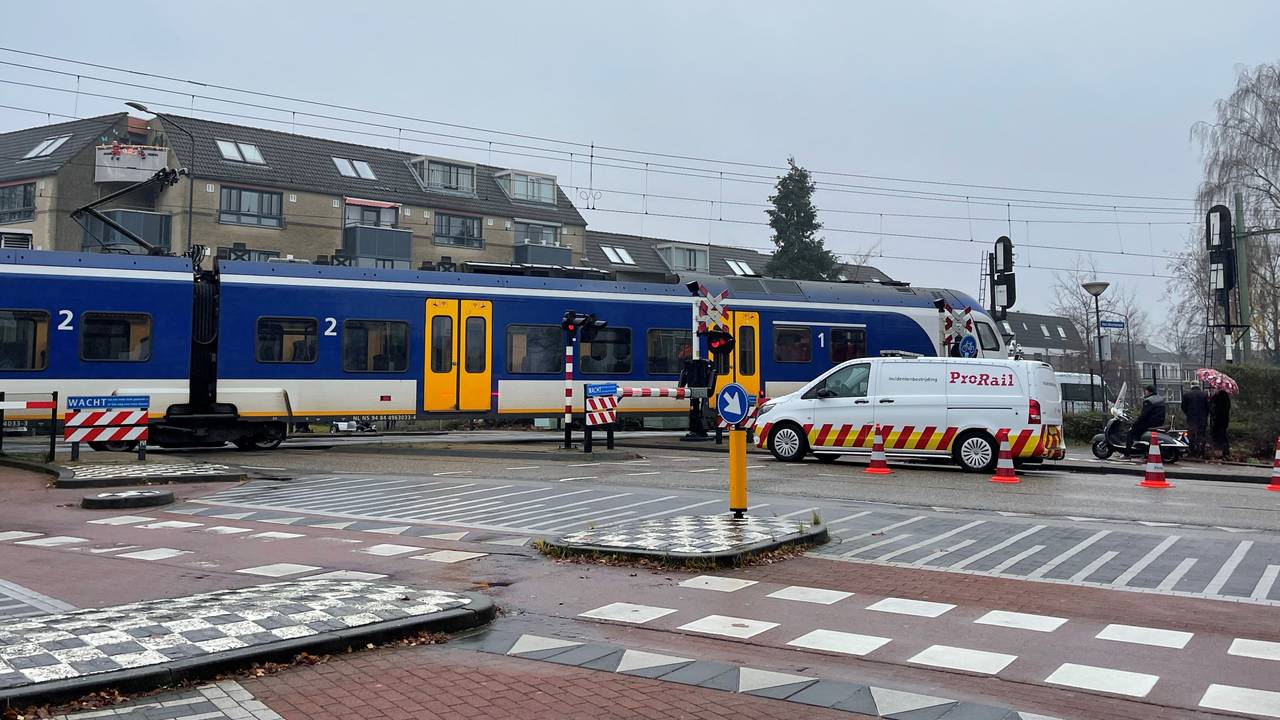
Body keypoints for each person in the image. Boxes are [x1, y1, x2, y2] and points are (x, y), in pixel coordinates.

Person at [1127, 384, 1166, 451]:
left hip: (1150, 422)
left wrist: (1135, 422)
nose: (1144, 393)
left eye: (1145, 391)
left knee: (1131, 431)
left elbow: (1144, 415)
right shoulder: (1160, 399)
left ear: (1149, 392)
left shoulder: (1148, 400)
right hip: (1160, 422)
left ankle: (1127, 452)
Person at [1180, 383, 1210, 459]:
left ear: (1191, 386)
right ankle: (1202, 452)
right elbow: (1208, 407)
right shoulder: (1204, 394)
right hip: (1202, 419)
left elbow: (1183, 407)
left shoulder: (1187, 395)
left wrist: (1188, 413)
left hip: (1191, 418)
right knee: (1201, 435)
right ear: (1198, 385)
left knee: (1191, 435)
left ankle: (1192, 452)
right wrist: (1205, 415)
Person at [1209, 388, 1232, 460]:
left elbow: (1214, 408)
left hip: (1218, 420)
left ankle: (1219, 452)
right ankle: (1225, 451)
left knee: (1218, 436)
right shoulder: (1226, 397)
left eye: (1215, 388)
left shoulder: (1218, 397)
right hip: (1224, 420)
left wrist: (1212, 397)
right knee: (1223, 435)